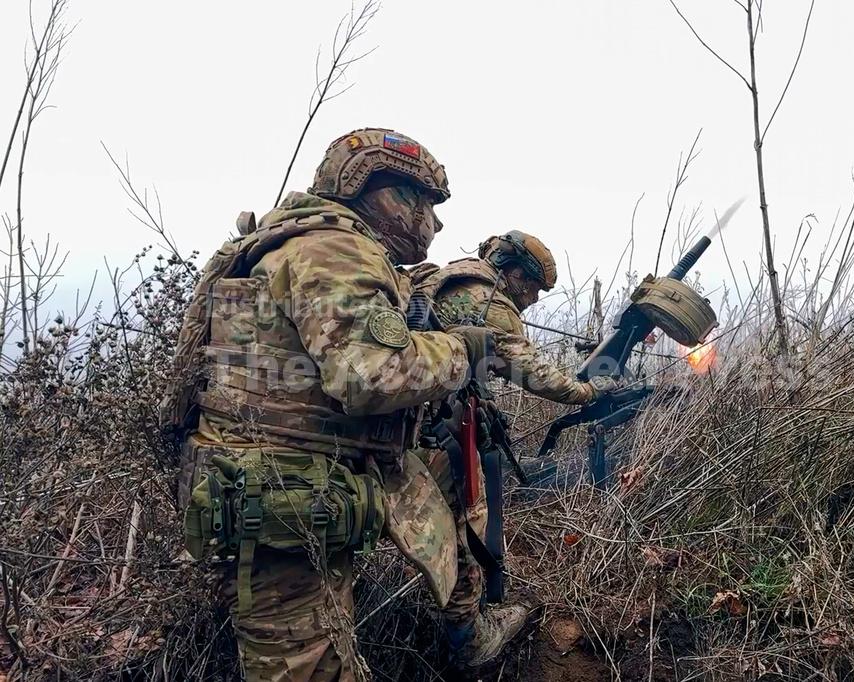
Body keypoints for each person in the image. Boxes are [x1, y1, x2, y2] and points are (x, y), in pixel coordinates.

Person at [162, 128, 494, 681]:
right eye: (427, 205)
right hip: (281, 498)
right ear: (389, 197)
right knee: (307, 665)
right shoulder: (335, 249)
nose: (434, 224)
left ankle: (468, 633)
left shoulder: (291, 240)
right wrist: (461, 350)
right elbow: (372, 374)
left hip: (268, 487)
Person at [411, 231, 619, 669]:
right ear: (515, 273)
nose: (534, 299)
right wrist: (588, 390)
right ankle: (470, 637)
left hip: (402, 428)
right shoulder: (491, 304)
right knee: (466, 525)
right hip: (434, 435)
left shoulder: (445, 279)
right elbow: (533, 372)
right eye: (534, 288)